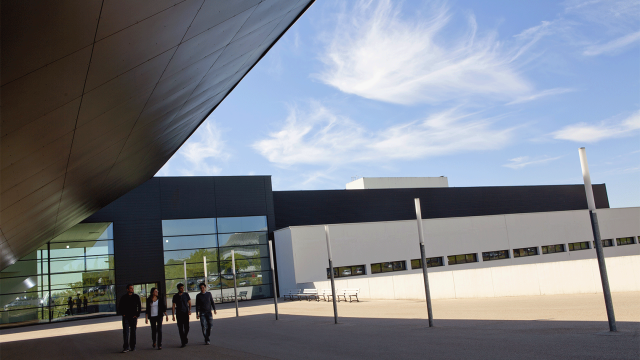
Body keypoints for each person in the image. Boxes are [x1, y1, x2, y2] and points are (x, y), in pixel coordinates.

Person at [119, 284, 141, 353]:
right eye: (131, 288)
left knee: (133, 332)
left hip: (133, 317)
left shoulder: (136, 297)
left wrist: (137, 315)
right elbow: (120, 306)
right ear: (127, 289)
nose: (132, 289)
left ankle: (133, 346)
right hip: (126, 317)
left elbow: (139, 306)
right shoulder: (124, 297)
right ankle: (126, 347)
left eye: (132, 288)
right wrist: (123, 314)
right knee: (126, 332)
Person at [172, 283, 191, 348]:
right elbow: (173, 305)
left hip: (185, 313)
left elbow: (189, 302)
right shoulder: (175, 296)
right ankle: (183, 342)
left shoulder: (186, 294)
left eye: (183, 288)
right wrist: (173, 315)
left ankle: (185, 337)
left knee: (187, 327)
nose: (182, 289)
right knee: (180, 328)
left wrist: (189, 310)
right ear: (178, 289)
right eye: (181, 288)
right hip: (179, 314)